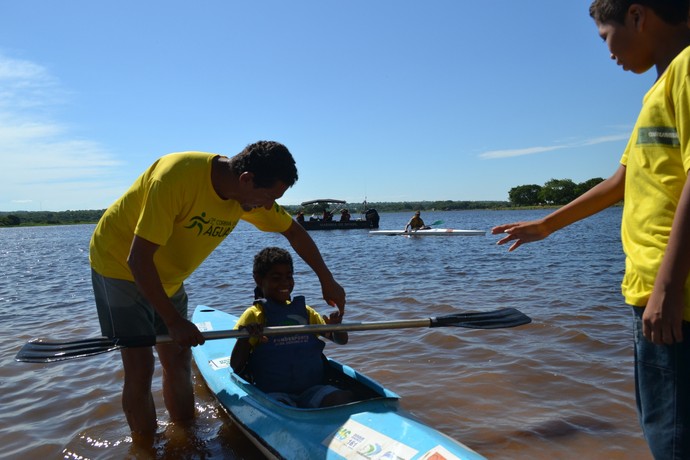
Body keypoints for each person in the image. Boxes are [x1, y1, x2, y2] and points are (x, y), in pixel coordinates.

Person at [492, 2, 690, 458]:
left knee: (673, 437)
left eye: (605, 36)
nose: (608, 52)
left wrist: (667, 286)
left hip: (670, 293)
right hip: (652, 290)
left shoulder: (687, 69)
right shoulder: (657, 90)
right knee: (665, 426)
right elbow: (621, 181)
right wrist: (546, 225)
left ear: (638, 16)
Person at [89, 141, 346, 440]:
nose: (267, 206)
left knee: (178, 358)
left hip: (168, 278)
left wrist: (327, 279)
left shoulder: (245, 195)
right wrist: (173, 321)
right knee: (140, 367)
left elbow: (293, 231)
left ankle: (186, 440)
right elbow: (138, 259)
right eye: (268, 197)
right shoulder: (175, 177)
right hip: (119, 267)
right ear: (246, 179)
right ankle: (146, 448)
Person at [230, 247, 355, 408]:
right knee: (282, 407)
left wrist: (337, 328)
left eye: (289, 277)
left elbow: (341, 341)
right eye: (276, 277)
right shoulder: (254, 315)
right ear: (259, 279)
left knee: (345, 397)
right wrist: (247, 337)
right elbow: (236, 365)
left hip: (312, 389)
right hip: (274, 393)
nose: (285, 283)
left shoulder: (306, 312)